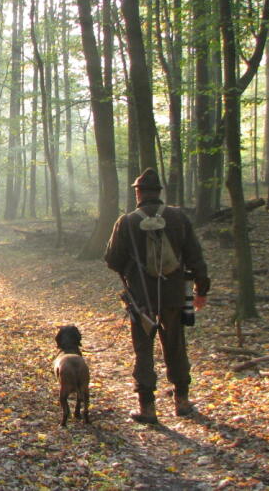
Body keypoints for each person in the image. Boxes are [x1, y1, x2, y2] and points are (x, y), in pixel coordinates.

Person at [104, 168, 209, 423]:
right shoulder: (178, 217)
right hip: (174, 296)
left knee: (143, 350)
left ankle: (147, 408)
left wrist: (133, 269)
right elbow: (195, 255)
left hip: (141, 299)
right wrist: (201, 289)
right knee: (176, 346)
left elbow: (112, 259)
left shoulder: (126, 221)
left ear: (138, 193)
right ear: (159, 193)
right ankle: (182, 402)